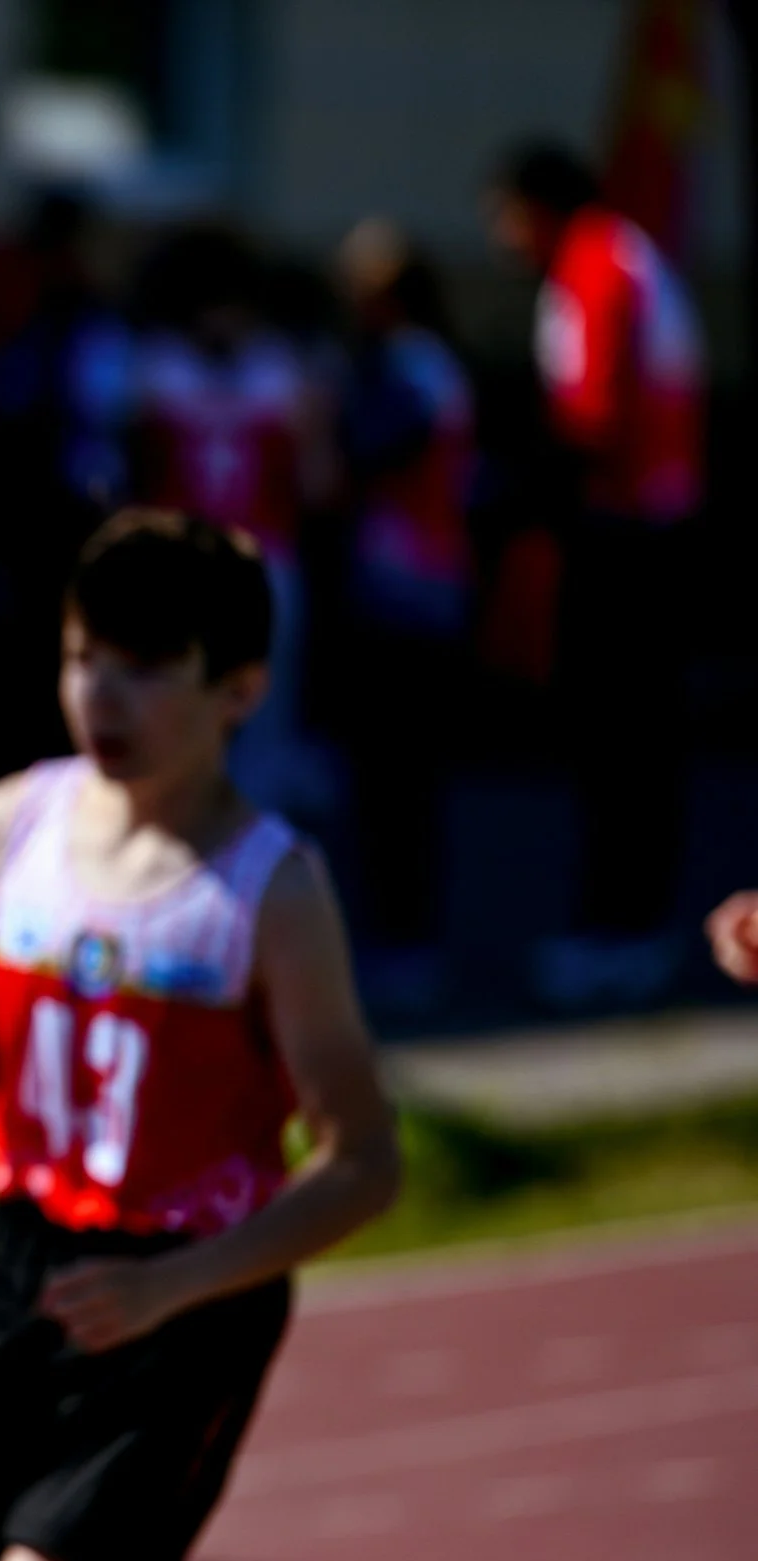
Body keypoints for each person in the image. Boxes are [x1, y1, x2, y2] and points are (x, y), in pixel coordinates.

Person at [0, 511, 401, 1561]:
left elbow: (365, 1163)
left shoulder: (267, 889)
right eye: (85, 659)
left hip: (184, 1294)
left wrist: (174, 1285)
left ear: (238, 690)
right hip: (19, 1264)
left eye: (145, 669)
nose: (103, 697)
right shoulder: (17, 816)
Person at [487, 141, 706, 1010]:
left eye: (506, 217)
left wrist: (514, 500)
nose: (505, 240)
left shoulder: (592, 266)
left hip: (625, 540)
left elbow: (591, 417)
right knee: (639, 740)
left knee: (620, 739)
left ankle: (620, 929)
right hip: (655, 531)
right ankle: (632, 923)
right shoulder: (624, 253)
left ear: (539, 206)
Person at [127, 227, 333, 822]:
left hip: (263, 558)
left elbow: (317, 481)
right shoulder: (149, 370)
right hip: (181, 561)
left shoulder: (282, 373)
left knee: (262, 709)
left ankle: (250, 844)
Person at [331, 218, 476, 1013]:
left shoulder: (414, 367)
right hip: (402, 592)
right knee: (389, 777)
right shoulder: (416, 363)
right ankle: (396, 929)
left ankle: (405, 936)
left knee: (401, 777)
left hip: (411, 597)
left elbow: (373, 449)